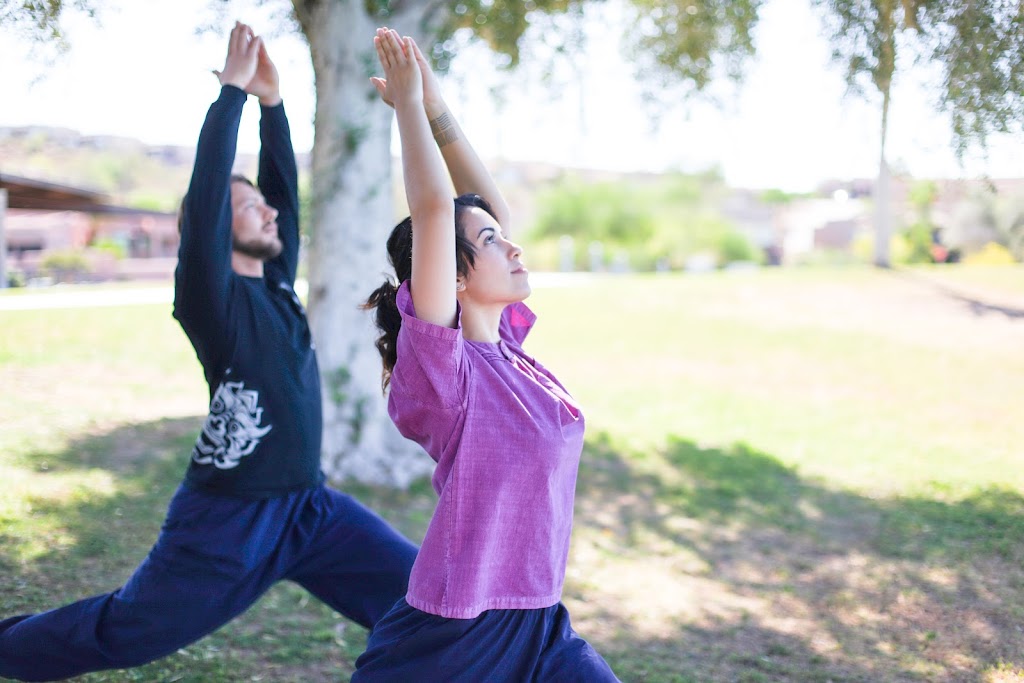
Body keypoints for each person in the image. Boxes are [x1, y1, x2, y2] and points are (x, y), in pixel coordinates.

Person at [0, 23, 417, 682]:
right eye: (247, 209)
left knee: (426, 597)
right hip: (228, 520)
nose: (269, 215)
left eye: (262, 207)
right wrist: (229, 94)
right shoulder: (209, 297)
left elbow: (285, 196)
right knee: (126, 631)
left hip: (309, 509)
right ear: (215, 229)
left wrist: (273, 106)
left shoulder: (276, 285)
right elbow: (207, 194)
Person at [352, 28, 620, 682]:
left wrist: (438, 109)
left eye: (504, 239)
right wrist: (409, 110)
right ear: (455, 277)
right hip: (453, 635)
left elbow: (477, 207)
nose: (515, 246)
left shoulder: (510, 349)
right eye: (495, 244)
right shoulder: (446, 376)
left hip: (540, 622)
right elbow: (437, 208)